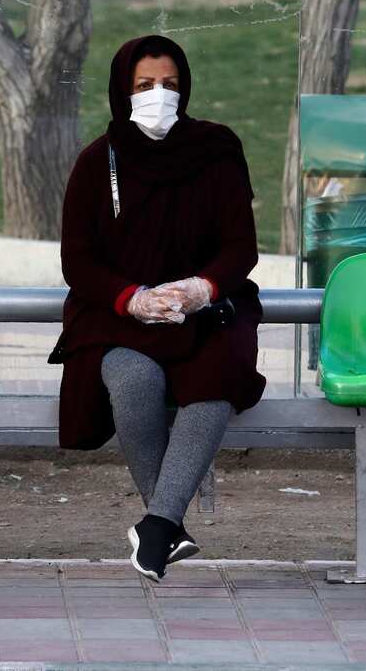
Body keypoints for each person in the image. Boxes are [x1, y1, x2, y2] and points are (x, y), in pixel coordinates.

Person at [51, 35, 266, 582]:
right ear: (123, 90)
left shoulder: (216, 149)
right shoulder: (97, 162)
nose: (159, 96)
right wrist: (133, 299)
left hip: (210, 310)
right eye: (145, 85)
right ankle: (166, 526)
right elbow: (78, 260)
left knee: (218, 375)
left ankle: (158, 525)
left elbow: (241, 246)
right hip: (119, 316)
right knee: (132, 380)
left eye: (169, 85)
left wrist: (203, 287)